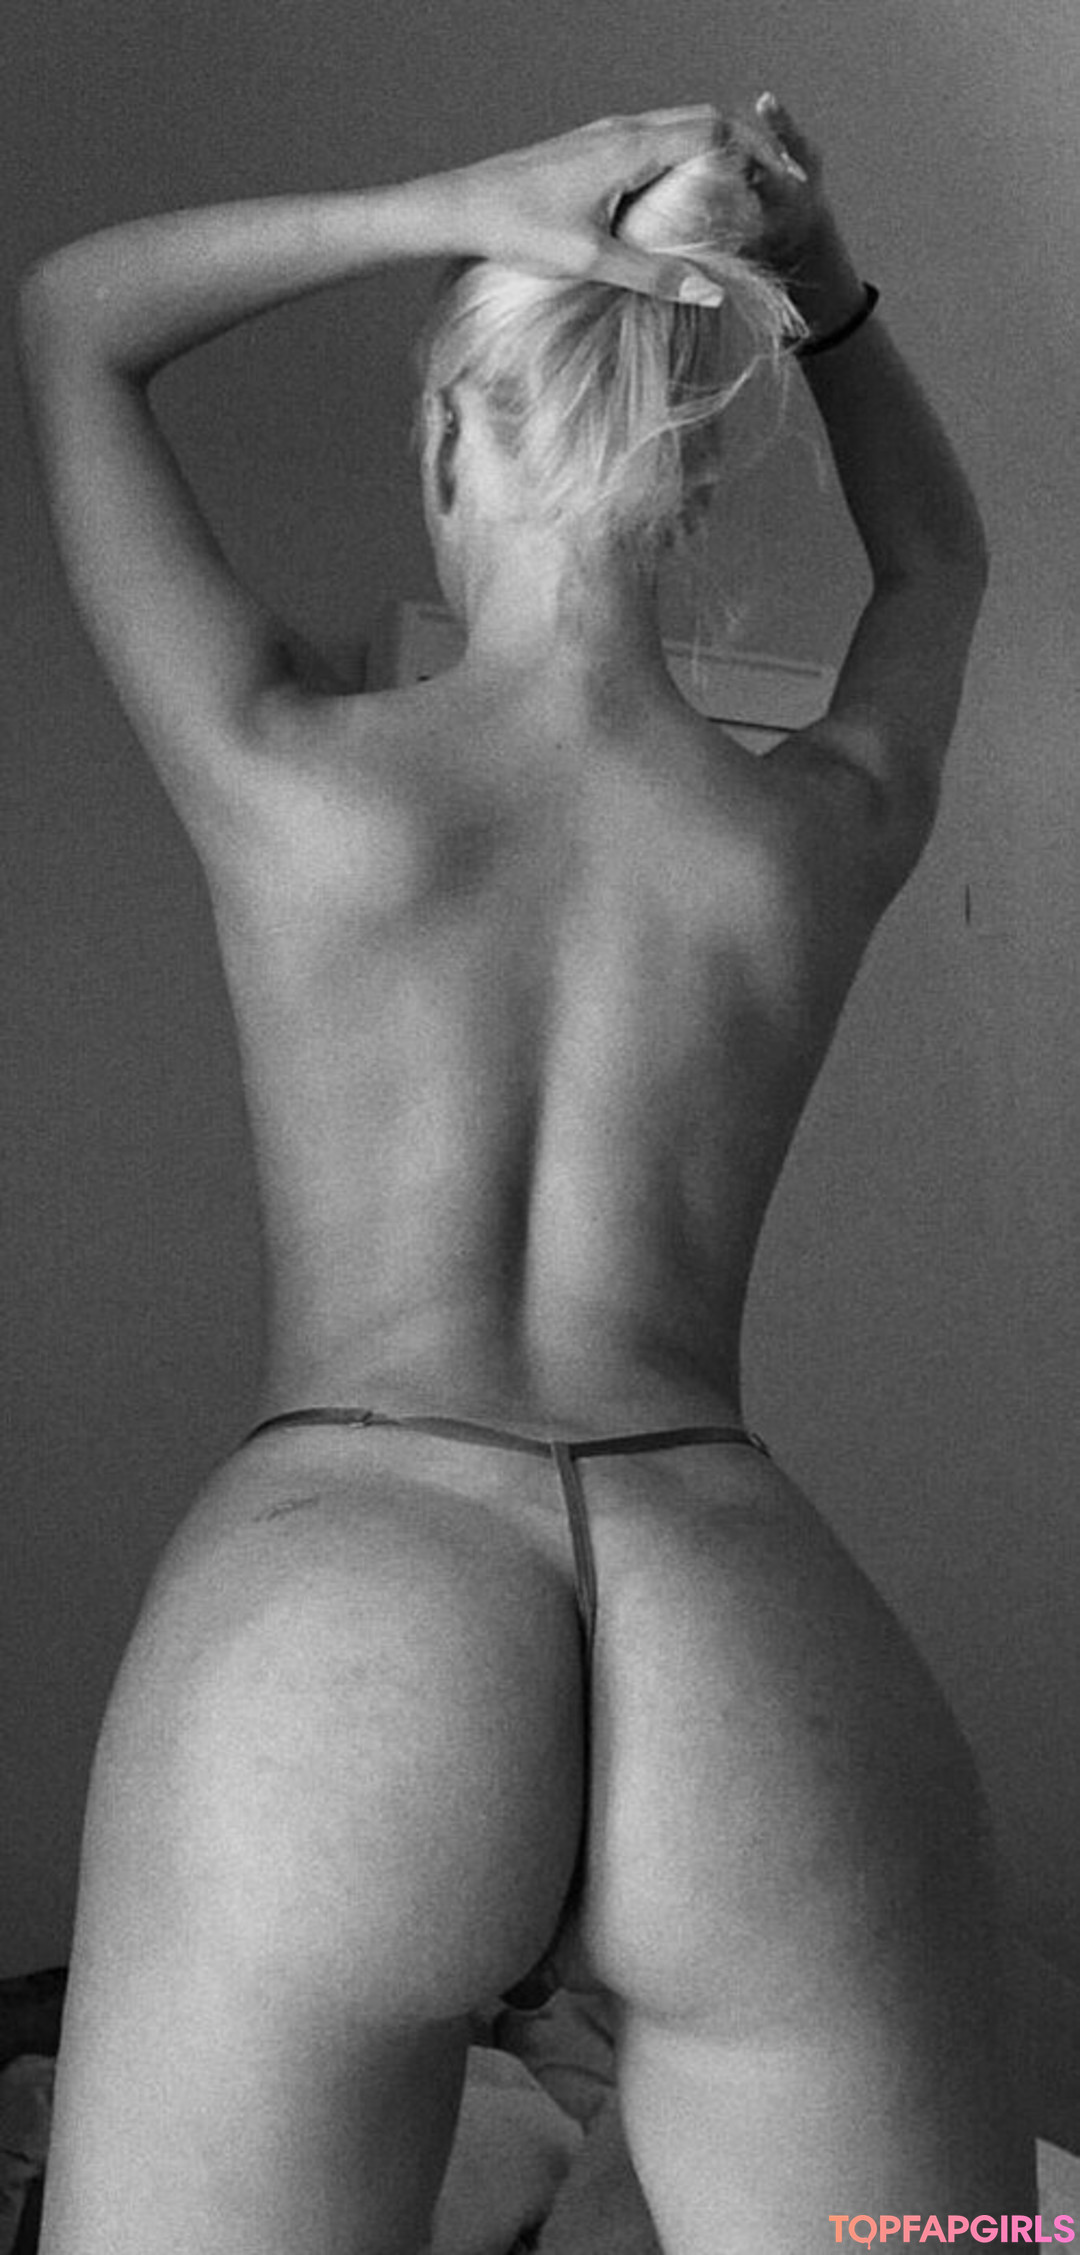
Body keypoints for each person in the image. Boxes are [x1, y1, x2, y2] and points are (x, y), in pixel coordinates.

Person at [19, 92, 1031, 2255]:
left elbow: (75, 317)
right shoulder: (817, 824)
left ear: (443, 446)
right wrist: (823, 288)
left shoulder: (292, 765)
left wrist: (432, 206)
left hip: (344, 1586)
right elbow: (943, 564)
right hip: (732, 1600)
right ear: (693, 499)